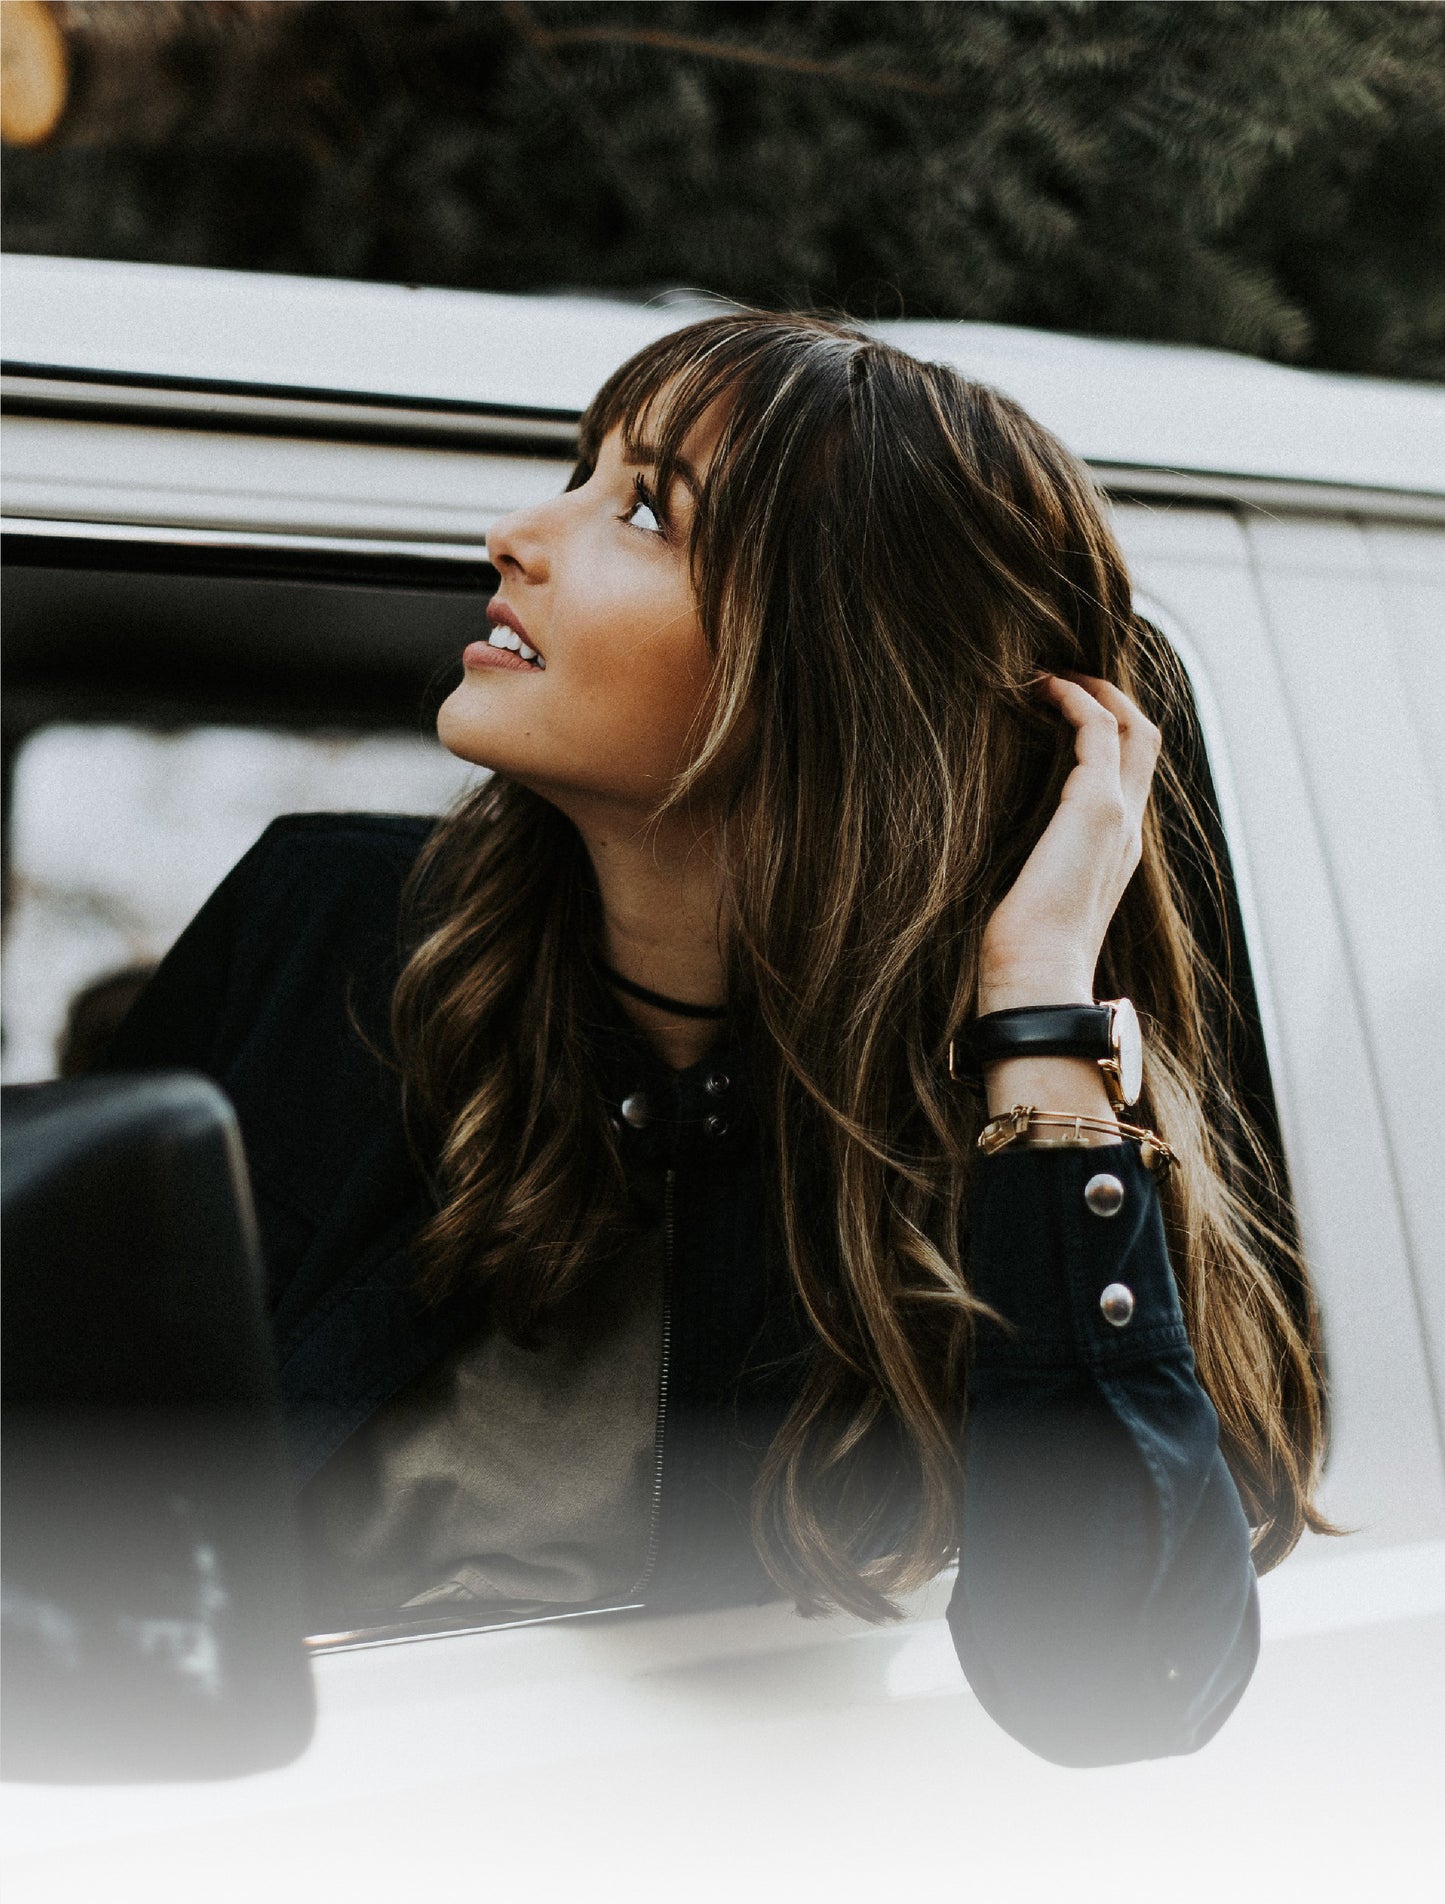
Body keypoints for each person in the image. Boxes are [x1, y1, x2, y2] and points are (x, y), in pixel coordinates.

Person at [100, 311, 1330, 1767]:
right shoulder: (333, 937)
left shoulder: (988, 1134)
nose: (516, 533)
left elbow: (1120, 1688)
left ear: (830, 667)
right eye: (576, 473)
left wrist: (1041, 1015)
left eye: (638, 509)